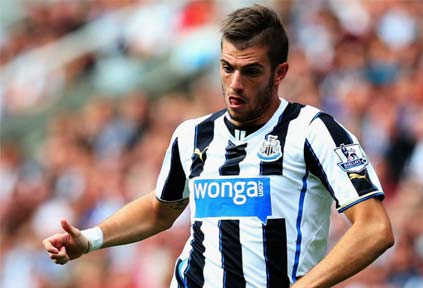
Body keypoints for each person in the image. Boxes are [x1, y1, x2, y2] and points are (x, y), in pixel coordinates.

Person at [42, 4, 394, 287]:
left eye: (251, 71)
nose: (235, 84)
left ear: (280, 72)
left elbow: (374, 228)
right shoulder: (192, 135)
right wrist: (89, 240)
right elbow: (159, 209)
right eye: (227, 68)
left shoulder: (314, 132)